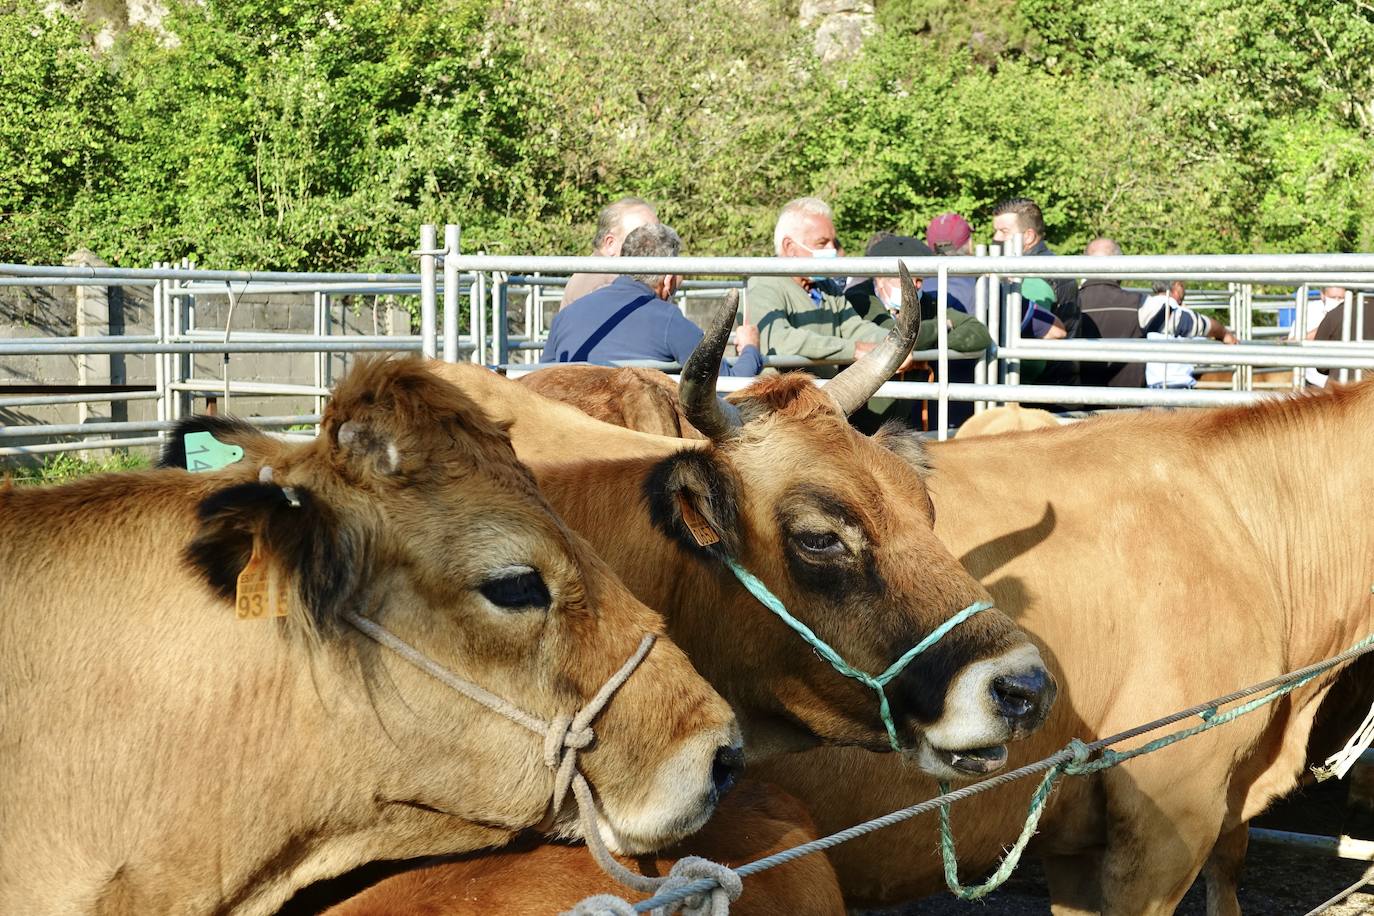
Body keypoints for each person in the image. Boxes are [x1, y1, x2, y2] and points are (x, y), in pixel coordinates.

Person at [541, 223, 763, 377]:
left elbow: (539, 378)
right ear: (668, 279)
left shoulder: (567, 315)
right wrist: (750, 349)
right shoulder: (669, 320)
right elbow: (727, 383)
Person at [844, 233, 994, 430]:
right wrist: (943, 326)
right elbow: (896, 337)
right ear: (881, 278)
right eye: (906, 278)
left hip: (907, 418)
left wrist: (925, 339)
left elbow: (979, 333)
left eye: (920, 278)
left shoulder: (926, 301)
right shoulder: (859, 300)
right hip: (864, 416)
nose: (916, 285)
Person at [748, 197, 893, 373]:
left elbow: (854, 327)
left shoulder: (827, 287)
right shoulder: (763, 284)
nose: (832, 249)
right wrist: (853, 349)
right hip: (783, 398)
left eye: (833, 241)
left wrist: (893, 344)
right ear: (790, 247)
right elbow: (780, 340)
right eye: (822, 243)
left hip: (825, 395)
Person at [990, 197, 1079, 394]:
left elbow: (1031, 332)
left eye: (1004, 232)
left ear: (1028, 236)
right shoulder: (1051, 265)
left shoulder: (1031, 275)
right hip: (1058, 383)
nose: (996, 238)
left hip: (1040, 390)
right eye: (995, 231)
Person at [559, 197, 660, 309]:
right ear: (610, 243)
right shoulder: (603, 284)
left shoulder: (599, 274)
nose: (657, 244)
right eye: (643, 237)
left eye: (659, 234)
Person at [1078, 237, 1149, 388]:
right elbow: (1184, 323)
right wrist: (1213, 327)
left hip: (1081, 406)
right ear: (1120, 266)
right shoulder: (1139, 304)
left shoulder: (1070, 303)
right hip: (1127, 406)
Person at [1141, 280, 1237, 389]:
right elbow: (1206, 329)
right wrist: (1224, 334)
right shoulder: (1180, 313)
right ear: (1176, 286)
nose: (1184, 288)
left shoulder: (1144, 309)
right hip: (1178, 385)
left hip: (1150, 386)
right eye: (1182, 284)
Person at [1309, 290, 1367, 387]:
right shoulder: (1314, 309)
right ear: (1322, 295)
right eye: (1333, 297)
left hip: (1339, 388)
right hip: (1367, 387)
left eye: (1340, 297)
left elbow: (1320, 364)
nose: (1337, 300)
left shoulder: (1334, 314)